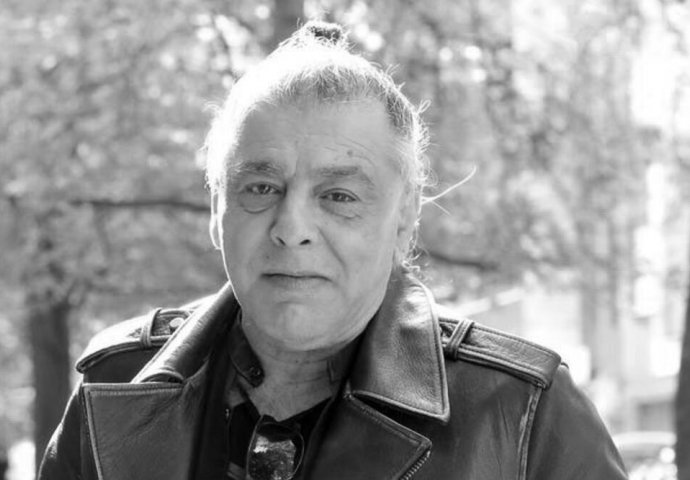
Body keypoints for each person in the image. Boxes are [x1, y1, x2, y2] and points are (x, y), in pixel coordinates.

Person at [38, 21, 628, 480]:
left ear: (405, 218)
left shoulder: (522, 415)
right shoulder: (115, 389)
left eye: (339, 195)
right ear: (218, 209)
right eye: (261, 187)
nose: (291, 228)